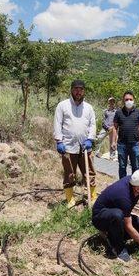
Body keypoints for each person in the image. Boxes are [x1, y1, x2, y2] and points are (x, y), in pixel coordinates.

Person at [53, 80, 97, 208]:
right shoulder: (63, 105)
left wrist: (90, 139)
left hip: (85, 147)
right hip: (68, 146)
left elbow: (92, 124)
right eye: (76, 89)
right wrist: (59, 141)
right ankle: (70, 199)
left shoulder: (88, 107)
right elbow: (57, 123)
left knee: (89, 173)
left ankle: (92, 197)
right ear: (71, 90)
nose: (78, 92)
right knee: (69, 173)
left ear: (84, 91)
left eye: (81, 89)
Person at [113, 91, 139, 179]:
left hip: (134, 144)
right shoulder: (119, 112)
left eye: (130, 99)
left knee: (135, 166)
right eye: (126, 99)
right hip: (122, 144)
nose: (129, 101)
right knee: (122, 167)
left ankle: (135, 186)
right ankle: (122, 185)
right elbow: (115, 128)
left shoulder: (138, 112)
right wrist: (113, 141)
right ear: (123, 101)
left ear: (133, 100)